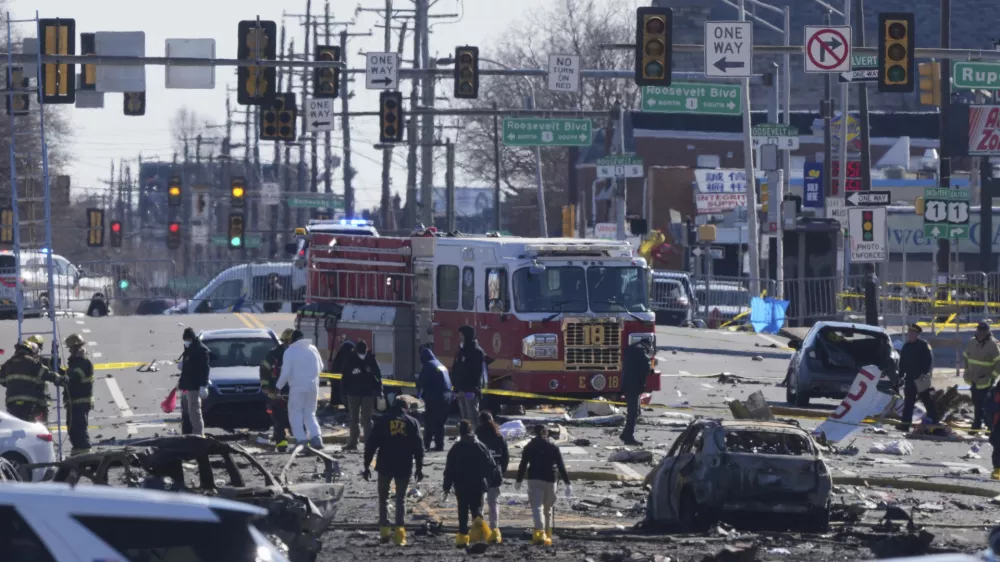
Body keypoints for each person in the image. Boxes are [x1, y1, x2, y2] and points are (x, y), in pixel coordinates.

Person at [362, 396, 424, 546]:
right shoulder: (412, 422)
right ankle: (400, 534)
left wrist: (366, 466)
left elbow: (371, 445)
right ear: (406, 408)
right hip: (404, 466)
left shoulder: (383, 421)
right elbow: (419, 448)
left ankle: (384, 531)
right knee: (400, 499)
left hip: (384, 465)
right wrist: (419, 468)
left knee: (384, 497)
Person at [443, 420, 499, 548]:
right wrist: (486, 479)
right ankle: (479, 536)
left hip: (461, 484)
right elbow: (491, 465)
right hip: (478, 483)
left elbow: (449, 469)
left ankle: (463, 537)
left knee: (462, 511)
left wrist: (446, 486)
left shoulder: (456, 448)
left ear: (460, 432)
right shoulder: (480, 445)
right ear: (471, 430)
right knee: (476, 509)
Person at [516, 424, 571, 546]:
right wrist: (567, 482)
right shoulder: (553, 446)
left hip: (534, 478)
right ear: (546, 433)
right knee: (548, 509)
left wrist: (518, 480)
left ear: (534, 433)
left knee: (537, 507)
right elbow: (561, 465)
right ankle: (548, 533)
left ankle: (539, 533)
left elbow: (523, 464)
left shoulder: (529, 446)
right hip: (550, 479)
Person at [276, 329, 325, 448]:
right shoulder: (313, 349)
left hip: (297, 388)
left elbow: (285, 372)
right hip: (313, 386)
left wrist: (278, 386)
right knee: (310, 413)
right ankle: (316, 438)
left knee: (295, 413)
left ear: (292, 339)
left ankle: (301, 441)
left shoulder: (290, 351)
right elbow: (321, 367)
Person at [0, 341, 63, 422]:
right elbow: (46, 374)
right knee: (29, 426)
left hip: (12, 403)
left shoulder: (8, 364)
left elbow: (2, 380)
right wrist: (60, 378)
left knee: (16, 425)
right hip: (29, 403)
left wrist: (14, 383)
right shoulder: (32, 362)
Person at [341, 340, 383, 450]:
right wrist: (343, 392)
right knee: (357, 419)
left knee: (365, 419)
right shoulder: (351, 359)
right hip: (355, 393)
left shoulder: (370, 359)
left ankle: (367, 443)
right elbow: (345, 376)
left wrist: (380, 390)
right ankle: (353, 443)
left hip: (366, 393)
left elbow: (378, 376)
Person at [475, 411, 509, 544]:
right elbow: (505, 455)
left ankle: (481, 529)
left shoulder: (478, 435)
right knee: (493, 502)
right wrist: (502, 469)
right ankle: (494, 530)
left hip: (480, 472)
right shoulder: (498, 435)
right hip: (495, 472)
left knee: (480, 502)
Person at [897, 324, 938, 432]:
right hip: (910, 379)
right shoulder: (906, 346)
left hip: (920, 379)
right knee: (908, 403)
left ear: (917, 334)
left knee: (927, 401)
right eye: (909, 333)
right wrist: (900, 375)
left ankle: (934, 421)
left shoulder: (923, 345)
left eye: (912, 333)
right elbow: (902, 363)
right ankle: (905, 424)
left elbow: (928, 361)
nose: (909, 335)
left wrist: (924, 373)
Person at [452, 326, 493, 428]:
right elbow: (456, 369)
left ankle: (475, 438)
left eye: (461, 335)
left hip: (470, 391)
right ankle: (465, 437)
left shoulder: (476, 352)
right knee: (464, 419)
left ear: (467, 335)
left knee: (473, 417)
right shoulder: (461, 350)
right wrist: (455, 387)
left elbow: (477, 373)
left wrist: (473, 389)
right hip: (460, 389)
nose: (460, 337)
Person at [962, 321, 1000, 431]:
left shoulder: (993, 345)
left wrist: (992, 377)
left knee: (987, 406)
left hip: (986, 381)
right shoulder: (972, 342)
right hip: (974, 380)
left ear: (987, 331)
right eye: (979, 330)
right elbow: (965, 357)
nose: (981, 333)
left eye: (983, 331)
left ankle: (989, 427)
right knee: (976, 404)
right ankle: (976, 425)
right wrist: (967, 371)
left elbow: (999, 363)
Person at [260, 329, 294, 451]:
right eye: (290, 341)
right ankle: (281, 445)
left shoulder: (300, 353)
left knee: (297, 419)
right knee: (279, 420)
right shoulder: (274, 354)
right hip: (276, 392)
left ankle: (302, 443)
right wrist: (265, 387)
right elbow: (265, 370)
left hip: (295, 392)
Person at [62, 334, 94, 455]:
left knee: (79, 429)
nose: (69, 351)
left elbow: (72, 378)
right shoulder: (76, 362)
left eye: (71, 349)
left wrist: (60, 378)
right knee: (72, 429)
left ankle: (86, 454)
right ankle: (77, 452)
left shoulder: (83, 362)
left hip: (80, 402)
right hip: (73, 402)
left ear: (76, 348)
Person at [415, 346, 451, 451]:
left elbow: (421, 382)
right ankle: (440, 445)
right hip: (447, 396)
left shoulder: (429, 365)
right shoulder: (441, 364)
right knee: (440, 422)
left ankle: (426, 444)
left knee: (429, 421)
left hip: (436, 396)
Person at [178, 328, 211, 436]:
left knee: (195, 412)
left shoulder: (200, 350)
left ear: (191, 338)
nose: (186, 342)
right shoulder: (190, 349)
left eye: (187, 339)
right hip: (188, 386)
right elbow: (187, 369)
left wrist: (203, 385)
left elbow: (204, 369)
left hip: (195, 386)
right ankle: (195, 433)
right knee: (190, 412)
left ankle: (199, 435)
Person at [621, 338, 653, 445]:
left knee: (635, 411)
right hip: (634, 385)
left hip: (628, 384)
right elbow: (646, 366)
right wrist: (643, 382)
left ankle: (626, 434)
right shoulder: (641, 351)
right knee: (633, 412)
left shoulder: (632, 349)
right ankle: (628, 437)